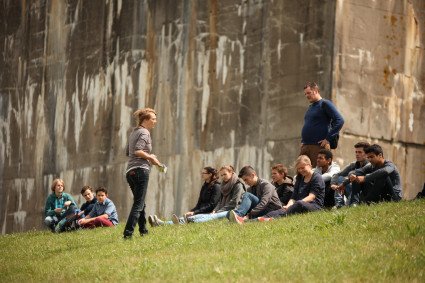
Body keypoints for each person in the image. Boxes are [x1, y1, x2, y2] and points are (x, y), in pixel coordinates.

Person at [243, 155, 325, 223]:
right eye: (299, 168)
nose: (300, 170)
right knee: (277, 211)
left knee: (298, 204)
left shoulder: (317, 177)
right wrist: (288, 206)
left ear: (310, 165)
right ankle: (252, 221)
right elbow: (293, 197)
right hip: (297, 205)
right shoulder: (300, 178)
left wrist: (294, 205)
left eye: (302, 168)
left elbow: (311, 197)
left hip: (314, 206)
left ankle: (277, 217)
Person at [123, 108, 163, 239]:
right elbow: (137, 151)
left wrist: (148, 155)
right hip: (140, 170)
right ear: (145, 120)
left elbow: (129, 152)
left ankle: (143, 230)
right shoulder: (145, 133)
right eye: (153, 119)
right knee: (139, 204)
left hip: (130, 171)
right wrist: (151, 158)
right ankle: (127, 234)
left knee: (140, 203)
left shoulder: (134, 132)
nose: (155, 121)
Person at [149, 167, 221, 226]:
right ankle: (161, 223)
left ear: (210, 174)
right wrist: (192, 211)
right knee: (185, 217)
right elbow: (199, 202)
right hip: (200, 211)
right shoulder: (204, 186)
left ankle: (162, 224)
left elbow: (212, 205)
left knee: (187, 219)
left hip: (208, 213)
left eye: (203, 173)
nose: (201, 174)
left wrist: (195, 212)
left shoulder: (216, 187)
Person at [300, 82, 344, 167]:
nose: (307, 96)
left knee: (316, 173)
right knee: (301, 172)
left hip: (318, 147)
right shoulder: (310, 107)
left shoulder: (325, 104)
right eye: (305, 94)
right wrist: (303, 141)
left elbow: (340, 120)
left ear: (316, 91)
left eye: (308, 93)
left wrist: (328, 138)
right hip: (306, 146)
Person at [330, 142, 370, 207]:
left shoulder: (370, 165)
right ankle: (339, 204)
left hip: (364, 194)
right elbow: (337, 174)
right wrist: (333, 184)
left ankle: (349, 204)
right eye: (356, 152)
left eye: (360, 152)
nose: (357, 154)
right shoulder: (354, 164)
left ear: (366, 154)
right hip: (353, 191)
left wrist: (345, 182)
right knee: (340, 178)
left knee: (355, 179)